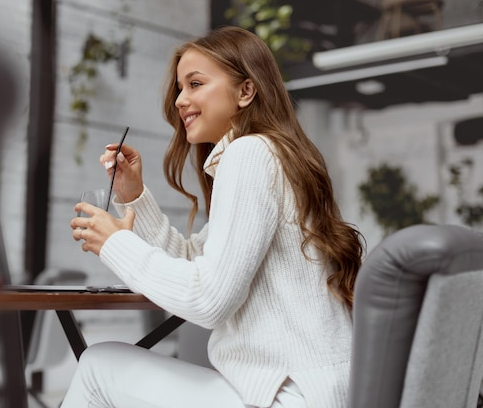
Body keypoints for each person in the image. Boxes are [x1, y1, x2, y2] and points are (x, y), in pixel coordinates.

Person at [65, 25, 364, 408]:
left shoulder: (250, 154)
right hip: (319, 395)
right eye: (180, 89)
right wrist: (133, 196)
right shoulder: (275, 154)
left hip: (290, 397)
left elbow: (208, 300)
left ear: (246, 91)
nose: (180, 100)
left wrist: (115, 243)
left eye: (195, 83)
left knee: (97, 365)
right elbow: (198, 264)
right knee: (102, 363)